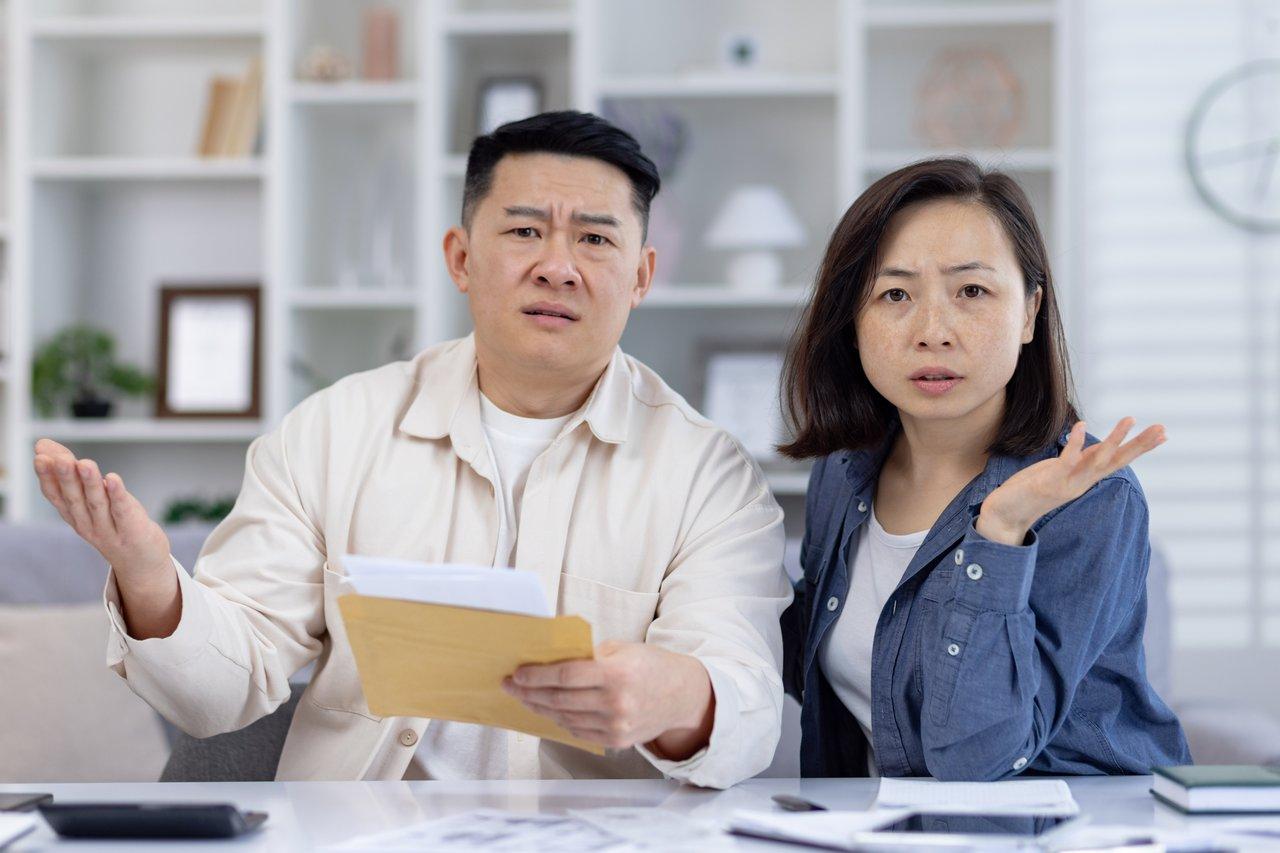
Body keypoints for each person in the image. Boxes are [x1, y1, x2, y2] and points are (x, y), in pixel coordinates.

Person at [32, 111, 791, 787]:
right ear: (461, 258)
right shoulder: (334, 431)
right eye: (525, 231)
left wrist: (678, 697)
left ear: (641, 276)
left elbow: (749, 705)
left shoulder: (707, 473)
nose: (558, 265)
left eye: (595, 238)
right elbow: (219, 692)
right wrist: (148, 578)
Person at [779, 157, 1191, 780]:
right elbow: (808, 665)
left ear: (1028, 313)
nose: (932, 331)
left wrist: (1000, 532)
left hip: (1084, 827)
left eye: (971, 291)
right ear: (852, 324)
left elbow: (979, 757)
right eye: (895, 294)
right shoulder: (844, 472)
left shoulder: (1090, 498)